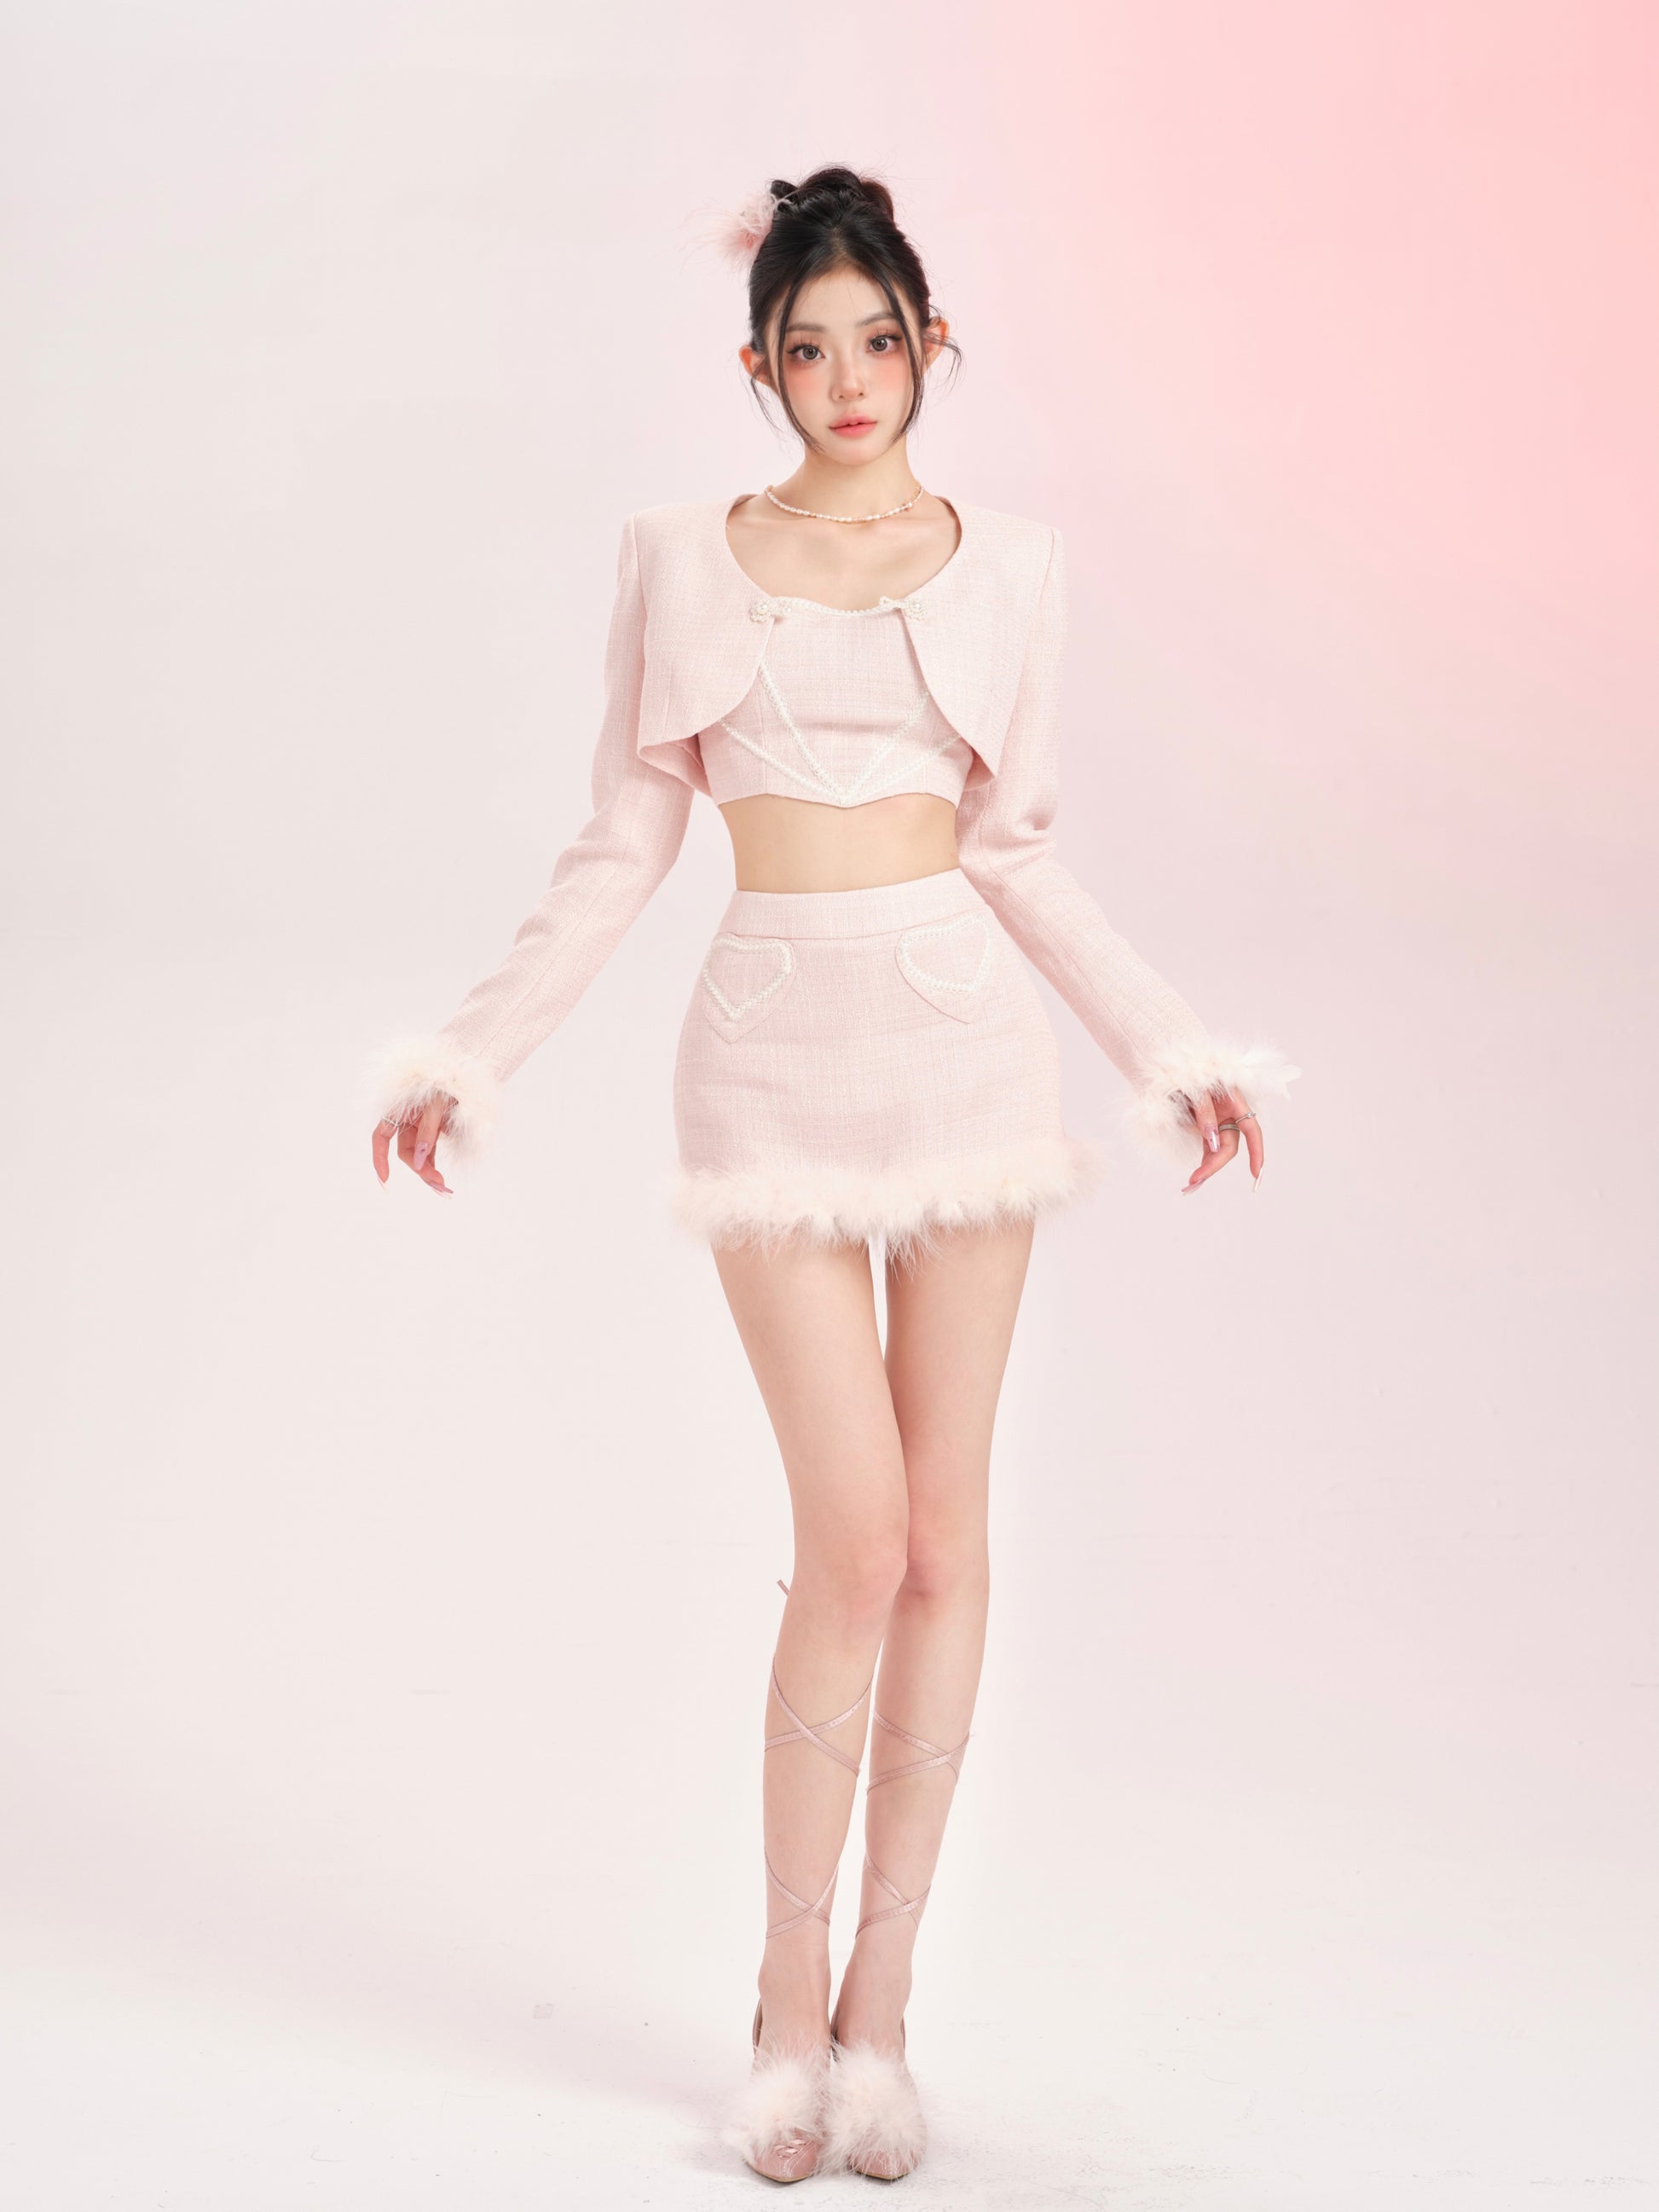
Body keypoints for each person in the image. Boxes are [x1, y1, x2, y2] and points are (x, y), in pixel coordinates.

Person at [364, 165, 1298, 2186]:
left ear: (930, 343)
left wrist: (1172, 1050)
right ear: (759, 368)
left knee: (947, 1540)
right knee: (853, 1536)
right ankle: (783, 1995)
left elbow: (1018, 848)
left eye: (880, 338)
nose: (850, 377)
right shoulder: (676, 557)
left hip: (965, 1050)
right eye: (810, 347)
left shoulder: (1013, 565)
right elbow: (620, 845)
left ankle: (880, 2007)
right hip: (768, 1064)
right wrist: (469, 1055)